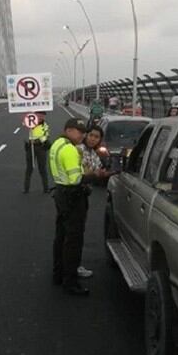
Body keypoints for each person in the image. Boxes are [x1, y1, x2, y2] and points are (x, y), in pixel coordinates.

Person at [49, 118, 104, 295]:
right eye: (78, 131)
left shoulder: (57, 144)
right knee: (74, 240)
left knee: (61, 237)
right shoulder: (70, 150)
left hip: (60, 193)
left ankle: (58, 274)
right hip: (73, 197)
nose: (82, 135)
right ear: (68, 130)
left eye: (83, 131)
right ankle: (71, 282)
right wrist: (96, 175)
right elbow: (76, 179)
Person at [74, 124, 113, 279]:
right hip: (73, 194)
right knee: (74, 234)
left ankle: (70, 265)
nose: (93, 139)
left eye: (97, 137)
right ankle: (72, 268)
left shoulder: (93, 153)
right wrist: (95, 173)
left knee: (77, 232)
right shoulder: (78, 149)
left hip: (82, 194)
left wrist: (104, 173)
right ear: (86, 135)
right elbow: (82, 171)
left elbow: (97, 172)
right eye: (91, 135)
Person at [23, 112, 50, 193]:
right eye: (39, 115)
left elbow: (46, 135)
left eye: (43, 115)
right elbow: (24, 123)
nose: (41, 116)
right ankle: (26, 189)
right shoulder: (31, 123)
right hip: (30, 147)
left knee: (42, 169)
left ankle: (46, 188)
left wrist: (38, 140)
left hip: (41, 147)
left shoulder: (45, 125)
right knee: (29, 168)